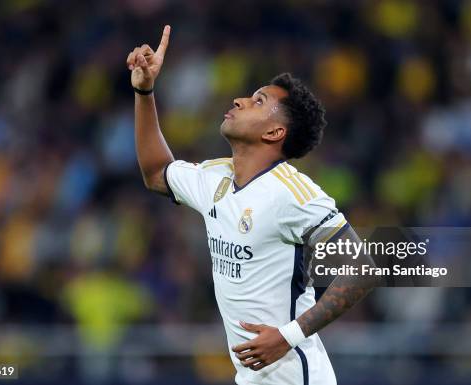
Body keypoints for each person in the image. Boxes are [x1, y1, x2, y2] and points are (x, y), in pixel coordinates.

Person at [126, 25, 378, 385]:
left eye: (258, 101)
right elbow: (156, 173)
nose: (239, 101)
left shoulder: (293, 193)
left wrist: (288, 336)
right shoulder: (216, 178)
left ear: (274, 133)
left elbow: (363, 267)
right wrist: (144, 90)